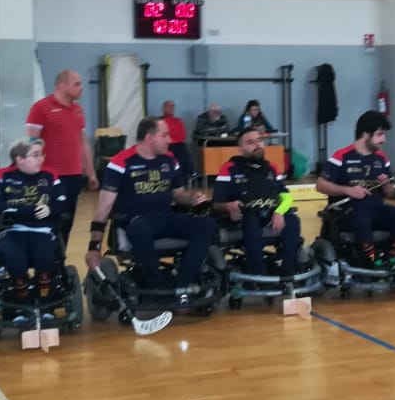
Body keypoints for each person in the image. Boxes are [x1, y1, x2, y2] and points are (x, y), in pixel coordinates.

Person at [86, 117, 214, 292]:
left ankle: (183, 283)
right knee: (140, 228)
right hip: (136, 222)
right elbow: (103, 208)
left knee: (206, 225)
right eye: (165, 135)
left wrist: (192, 198)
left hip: (165, 218)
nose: (170, 139)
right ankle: (156, 284)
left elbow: (179, 194)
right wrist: (94, 248)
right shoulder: (121, 163)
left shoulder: (169, 159)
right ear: (149, 138)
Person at [317, 111, 395, 263]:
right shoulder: (342, 156)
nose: (384, 139)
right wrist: (348, 190)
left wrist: (387, 185)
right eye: (380, 134)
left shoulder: (382, 159)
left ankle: (392, 256)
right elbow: (320, 185)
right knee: (361, 217)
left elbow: (390, 193)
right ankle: (372, 259)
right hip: (349, 212)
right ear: (366, 134)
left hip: (376, 209)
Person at [0, 137, 69, 301]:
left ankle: (46, 299)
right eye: (35, 155)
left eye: (41, 155)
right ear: (20, 159)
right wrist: (26, 211)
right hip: (12, 230)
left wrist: (50, 208)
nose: (41, 159)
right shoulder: (1, 175)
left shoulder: (50, 175)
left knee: (45, 257)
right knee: (15, 258)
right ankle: (19, 299)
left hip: (43, 230)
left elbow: (63, 203)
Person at [212, 125, 301, 275]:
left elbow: (286, 196)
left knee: (292, 220)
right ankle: (258, 273)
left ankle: (288, 271)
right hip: (245, 216)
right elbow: (216, 204)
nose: (257, 144)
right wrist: (229, 206)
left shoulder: (272, 167)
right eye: (250, 142)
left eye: (259, 140)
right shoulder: (229, 168)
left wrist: (279, 212)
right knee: (251, 220)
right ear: (241, 148)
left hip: (271, 213)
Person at [26, 70, 98, 249]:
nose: (81, 88)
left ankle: (59, 263)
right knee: (47, 221)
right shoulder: (41, 108)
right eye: (77, 84)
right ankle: (43, 263)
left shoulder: (78, 111)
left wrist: (91, 174)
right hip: (49, 177)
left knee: (67, 222)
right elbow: (32, 143)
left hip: (73, 176)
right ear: (61, 86)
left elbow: (83, 144)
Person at [159, 99, 194, 177]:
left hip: (177, 144)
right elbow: (160, 135)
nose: (171, 108)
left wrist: (170, 136)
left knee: (181, 147)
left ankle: (184, 175)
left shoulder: (178, 120)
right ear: (164, 108)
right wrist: (170, 137)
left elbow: (182, 135)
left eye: (173, 106)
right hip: (164, 144)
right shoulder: (159, 121)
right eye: (169, 106)